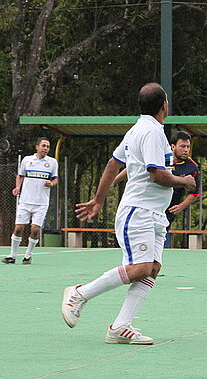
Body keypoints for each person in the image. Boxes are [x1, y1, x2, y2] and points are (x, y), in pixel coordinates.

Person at [61, 82, 196, 344]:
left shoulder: (138, 129)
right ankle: (80, 293)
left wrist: (99, 200)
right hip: (139, 211)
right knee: (140, 267)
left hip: (155, 214)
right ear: (164, 105)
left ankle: (120, 327)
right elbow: (156, 175)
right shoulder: (152, 133)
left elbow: (114, 163)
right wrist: (184, 182)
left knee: (152, 268)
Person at [113, 130, 200, 246]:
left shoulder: (192, 167)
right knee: (143, 245)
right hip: (148, 205)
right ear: (173, 146)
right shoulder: (160, 156)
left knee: (157, 247)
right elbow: (133, 167)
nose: (186, 150)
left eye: (188, 147)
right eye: (182, 146)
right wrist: (113, 181)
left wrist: (180, 206)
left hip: (167, 211)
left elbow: (194, 193)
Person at [2, 137, 58, 264]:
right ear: (37, 147)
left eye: (48, 147)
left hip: (41, 203)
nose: (46, 148)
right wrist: (17, 187)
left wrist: (51, 184)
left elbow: (55, 179)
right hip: (25, 201)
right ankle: (12, 255)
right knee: (18, 228)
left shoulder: (52, 162)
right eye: (43, 146)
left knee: (35, 229)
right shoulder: (27, 160)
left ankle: (28, 255)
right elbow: (20, 175)